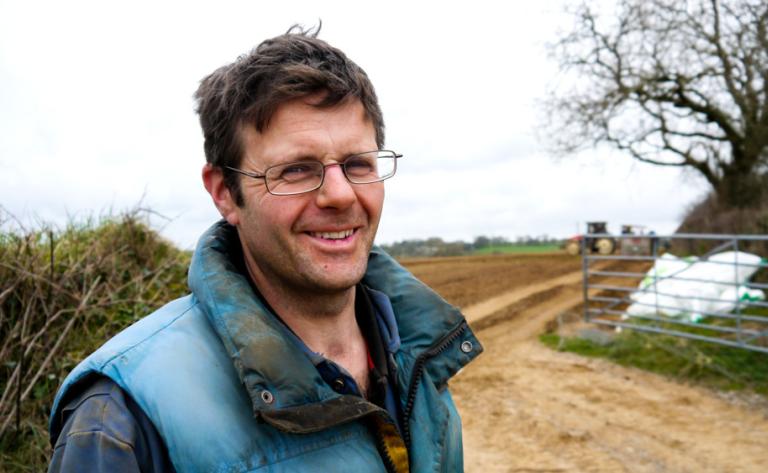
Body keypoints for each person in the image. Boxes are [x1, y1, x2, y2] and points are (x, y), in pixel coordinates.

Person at [47, 25, 482, 473]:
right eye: (295, 170)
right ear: (224, 193)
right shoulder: (122, 418)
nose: (341, 195)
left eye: (357, 164)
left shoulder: (417, 354)